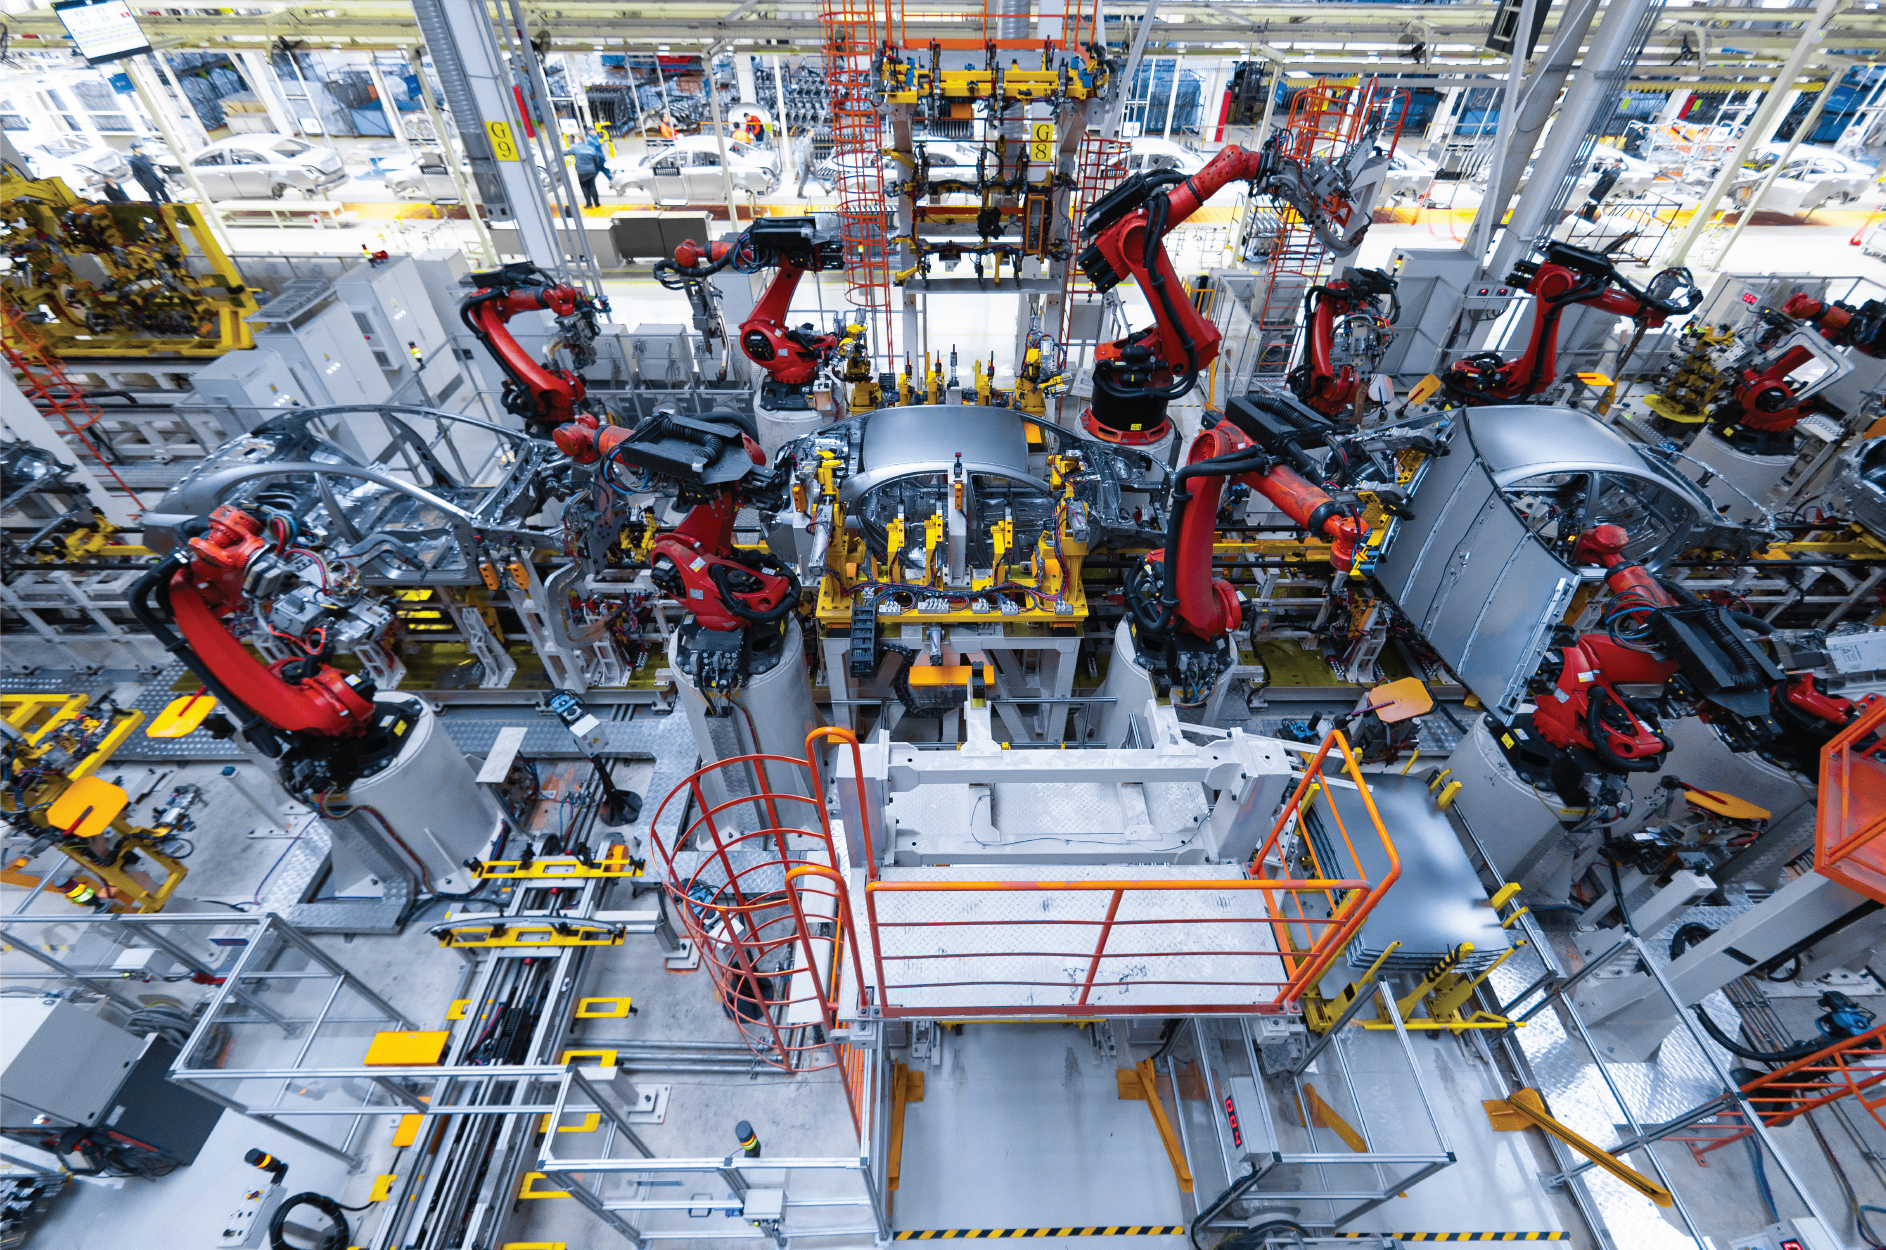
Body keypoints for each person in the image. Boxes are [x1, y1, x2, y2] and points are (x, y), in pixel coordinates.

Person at [571, 136, 606, 209]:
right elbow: (596, 159)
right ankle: (597, 203)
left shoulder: (575, 148)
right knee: (593, 186)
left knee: (584, 187)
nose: (574, 139)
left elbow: (564, 153)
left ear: (579, 140)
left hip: (582, 171)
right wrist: (593, 166)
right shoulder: (590, 148)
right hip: (591, 170)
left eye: (575, 138)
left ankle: (589, 204)